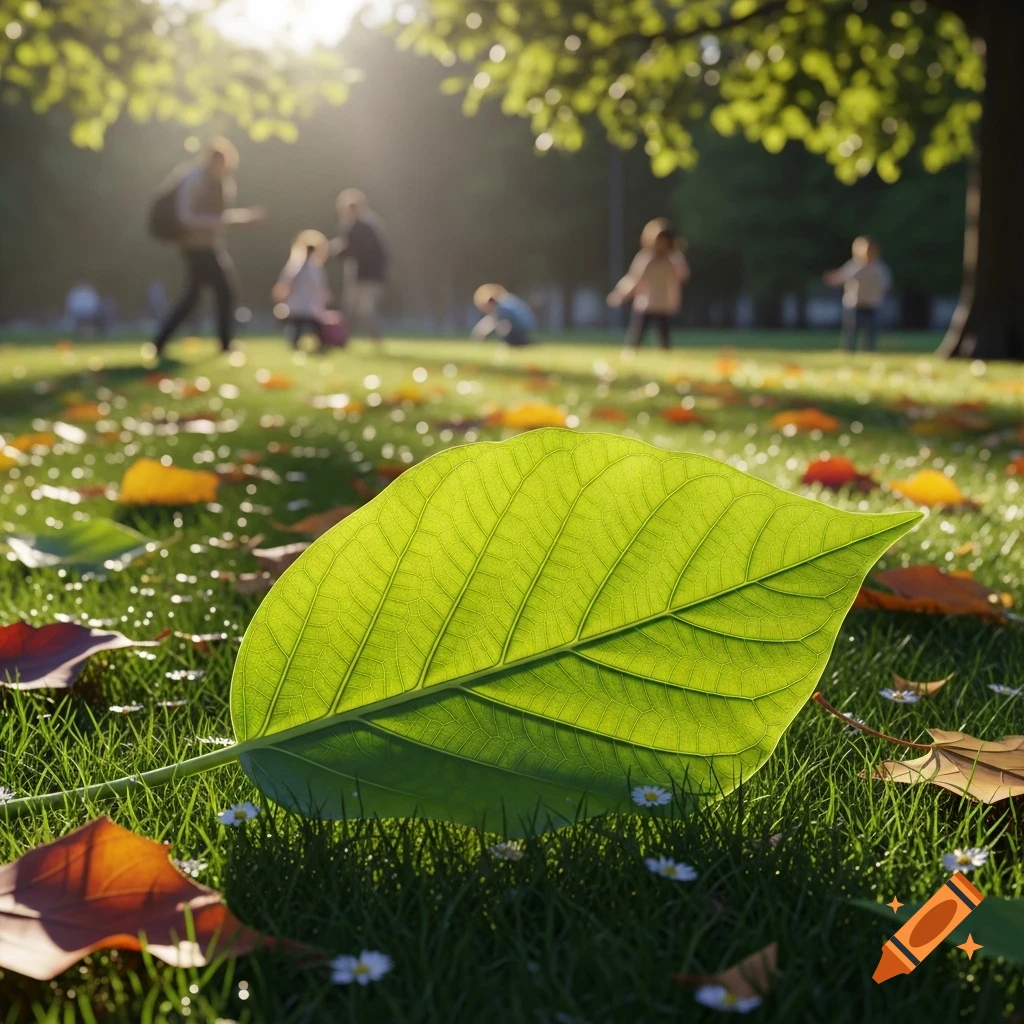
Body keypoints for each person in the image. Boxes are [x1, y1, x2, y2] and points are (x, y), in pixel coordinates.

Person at [153, 138, 264, 356]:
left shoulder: (218, 183)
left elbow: (219, 218)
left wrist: (238, 219)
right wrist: (223, 222)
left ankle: (160, 342)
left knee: (194, 298)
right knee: (224, 291)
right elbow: (185, 218)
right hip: (195, 247)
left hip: (207, 245)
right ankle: (224, 344)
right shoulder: (193, 180)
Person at [608, 225, 690, 349]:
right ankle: (630, 355)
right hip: (646, 304)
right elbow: (634, 278)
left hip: (664, 305)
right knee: (636, 335)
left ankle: (665, 358)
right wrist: (621, 294)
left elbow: (683, 275)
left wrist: (671, 263)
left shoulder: (674, 258)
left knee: (664, 338)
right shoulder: (646, 257)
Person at [332, 189, 389, 344]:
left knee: (366, 310)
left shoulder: (366, 226)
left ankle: (376, 340)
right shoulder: (350, 226)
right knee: (349, 309)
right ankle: (342, 339)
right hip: (357, 275)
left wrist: (337, 249)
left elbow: (355, 249)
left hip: (370, 276)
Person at [824, 236, 892, 352]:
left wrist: (881, 293)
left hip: (872, 304)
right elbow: (842, 276)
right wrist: (833, 279)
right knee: (851, 329)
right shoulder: (854, 266)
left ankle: (869, 349)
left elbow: (885, 282)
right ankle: (849, 349)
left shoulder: (879, 267)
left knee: (871, 329)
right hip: (854, 304)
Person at [272, 230, 331, 351]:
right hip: (302, 310)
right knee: (304, 328)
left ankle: (299, 340)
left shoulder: (303, 266)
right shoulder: (310, 268)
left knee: (302, 329)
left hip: (304, 309)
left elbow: (284, 286)